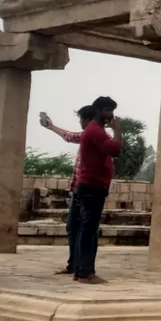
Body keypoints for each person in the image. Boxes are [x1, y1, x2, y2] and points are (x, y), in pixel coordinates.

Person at [40, 105, 96, 276]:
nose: (80, 122)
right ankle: (74, 264)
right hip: (78, 190)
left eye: (81, 119)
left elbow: (70, 136)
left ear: (86, 120)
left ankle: (84, 267)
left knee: (85, 230)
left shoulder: (93, 135)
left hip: (88, 190)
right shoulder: (90, 136)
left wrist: (51, 126)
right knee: (73, 228)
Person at [71, 95, 122, 284]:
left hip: (94, 185)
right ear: (99, 110)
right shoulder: (96, 131)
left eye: (112, 111)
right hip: (92, 185)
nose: (111, 115)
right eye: (108, 110)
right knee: (88, 229)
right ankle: (84, 272)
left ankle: (81, 270)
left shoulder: (95, 130)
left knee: (87, 229)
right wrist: (117, 130)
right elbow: (116, 149)